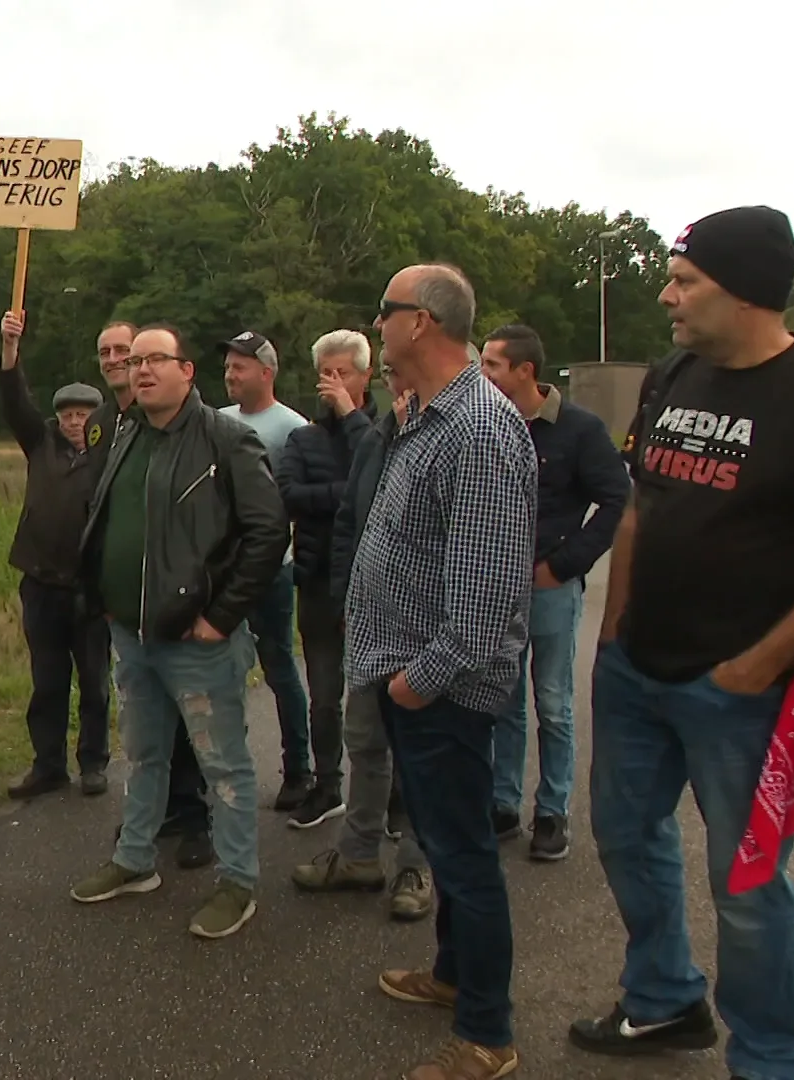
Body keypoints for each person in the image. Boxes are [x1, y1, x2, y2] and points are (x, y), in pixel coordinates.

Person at [572, 206, 794, 1080]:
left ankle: (768, 1061)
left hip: (749, 694)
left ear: (748, 293)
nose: (666, 295)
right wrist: (613, 635)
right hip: (637, 670)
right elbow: (644, 505)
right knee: (624, 836)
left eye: (686, 283)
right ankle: (663, 1002)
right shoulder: (674, 373)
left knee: (749, 891)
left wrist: (754, 667)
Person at [349, 265, 535, 1080]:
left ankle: (488, 1034)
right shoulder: (428, 416)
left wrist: (418, 681)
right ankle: (454, 976)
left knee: (463, 856)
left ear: (419, 322)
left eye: (384, 313)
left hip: (441, 687)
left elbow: (489, 594)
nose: (376, 325)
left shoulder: (481, 429)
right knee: (452, 846)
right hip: (414, 679)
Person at [69, 324, 287, 940]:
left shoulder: (226, 439)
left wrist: (221, 617)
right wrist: (106, 599)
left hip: (197, 642)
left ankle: (238, 881)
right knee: (142, 754)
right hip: (132, 635)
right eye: (134, 361)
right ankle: (136, 860)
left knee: (224, 765)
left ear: (187, 371)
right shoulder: (127, 433)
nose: (140, 370)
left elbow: (268, 533)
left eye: (154, 360)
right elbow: (106, 520)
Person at [290, 357, 435, 924]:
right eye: (394, 379)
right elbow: (352, 516)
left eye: (405, 378)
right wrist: (351, 596)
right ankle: (357, 856)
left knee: (421, 752)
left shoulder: (461, 434)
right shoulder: (383, 436)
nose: (397, 390)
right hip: (370, 618)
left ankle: (416, 866)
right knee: (365, 741)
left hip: (425, 625)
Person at [478, 324, 629, 861]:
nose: (483, 375)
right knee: (505, 700)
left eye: (493, 365)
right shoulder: (485, 424)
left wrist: (564, 565)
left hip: (549, 587)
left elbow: (616, 500)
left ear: (526, 371)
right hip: (496, 587)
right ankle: (503, 801)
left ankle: (552, 810)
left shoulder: (578, 429)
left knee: (554, 702)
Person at [90, 321, 212, 869]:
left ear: (181, 369)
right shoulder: (117, 426)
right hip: (127, 614)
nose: (130, 365)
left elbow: (253, 529)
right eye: (117, 356)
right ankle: (146, 828)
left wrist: (220, 610)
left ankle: (194, 819)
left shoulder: (209, 435)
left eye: (139, 356)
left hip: (182, 614)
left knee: (193, 730)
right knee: (144, 736)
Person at [0, 311, 112, 798]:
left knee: (94, 683)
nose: (73, 422)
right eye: (66, 415)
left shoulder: (111, 450)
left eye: (82, 415)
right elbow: (13, 400)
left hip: (91, 588)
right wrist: (10, 351)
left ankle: (93, 762)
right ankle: (48, 764)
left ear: (96, 418)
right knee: (46, 683)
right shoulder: (40, 442)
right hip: (41, 584)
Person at [216, 332, 320, 821]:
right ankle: (224, 774)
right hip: (220, 569)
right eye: (228, 367)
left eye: (241, 367)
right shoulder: (218, 423)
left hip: (272, 570)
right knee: (223, 673)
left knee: (278, 668)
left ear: (266, 372)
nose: (231, 375)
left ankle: (298, 768)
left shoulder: (292, 428)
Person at [278, 330, 376, 828]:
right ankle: (327, 783)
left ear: (366, 375)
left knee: (374, 697)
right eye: (326, 374)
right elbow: (290, 496)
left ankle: (381, 796)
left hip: (373, 584)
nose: (333, 383)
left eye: (343, 373)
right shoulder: (304, 438)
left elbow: (380, 482)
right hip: (317, 579)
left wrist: (352, 417)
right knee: (323, 694)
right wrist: (346, 496)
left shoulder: (385, 429)